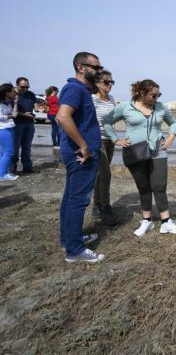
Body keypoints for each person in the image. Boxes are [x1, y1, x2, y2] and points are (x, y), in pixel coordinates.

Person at [104, 79, 176, 237]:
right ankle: (147, 220)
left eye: (158, 94)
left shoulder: (160, 107)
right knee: (143, 187)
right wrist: (116, 139)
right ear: (141, 93)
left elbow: (173, 123)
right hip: (136, 152)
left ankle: (166, 222)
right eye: (153, 95)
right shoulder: (126, 106)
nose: (156, 98)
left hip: (158, 151)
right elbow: (107, 121)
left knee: (159, 186)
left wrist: (170, 137)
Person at [56, 52, 105, 263]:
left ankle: (69, 239)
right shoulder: (75, 89)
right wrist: (84, 146)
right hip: (81, 154)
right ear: (80, 67)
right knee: (78, 200)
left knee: (70, 197)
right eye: (95, 67)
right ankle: (75, 250)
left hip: (77, 152)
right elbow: (62, 117)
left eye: (99, 67)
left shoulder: (81, 90)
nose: (98, 71)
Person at [91, 70, 118, 226]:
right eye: (106, 82)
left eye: (111, 82)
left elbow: (113, 119)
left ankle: (96, 204)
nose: (109, 85)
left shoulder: (112, 99)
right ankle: (105, 206)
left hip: (110, 139)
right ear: (98, 83)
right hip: (97, 140)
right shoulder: (92, 99)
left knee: (100, 175)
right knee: (106, 174)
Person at [11, 77, 38, 175]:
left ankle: (27, 167)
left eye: (27, 87)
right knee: (15, 146)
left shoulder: (30, 94)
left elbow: (35, 106)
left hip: (29, 123)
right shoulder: (12, 95)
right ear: (17, 85)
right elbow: (10, 112)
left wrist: (38, 108)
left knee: (27, 146)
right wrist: (23, 114)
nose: (25, 89)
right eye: (23, 87)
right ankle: (12, 167)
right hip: (16, 124)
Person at [0, 83, 19, 181]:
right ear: (6, 92)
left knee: (3, 152)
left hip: (9, 127)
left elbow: (15, 114)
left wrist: (15, 103)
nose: (13, 93)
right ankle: (2, 174)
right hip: (3, 129)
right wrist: (10, 116)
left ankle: (4, 172)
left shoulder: (8, 102)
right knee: (8, 152)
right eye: (12, 91)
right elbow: (1, 117)